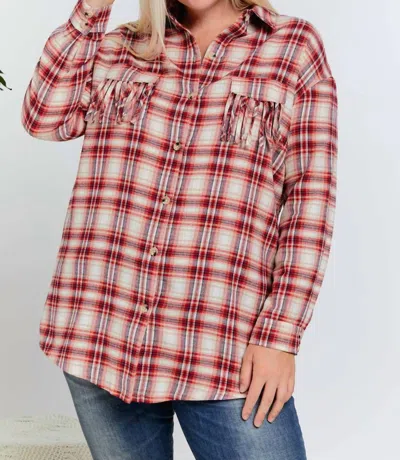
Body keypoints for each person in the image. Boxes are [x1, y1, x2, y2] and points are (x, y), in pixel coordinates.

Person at [21, 0, 338, 458]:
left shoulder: (293, 48)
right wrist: (92, 8)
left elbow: (310, 202)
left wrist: (280, 335)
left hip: (221, 348)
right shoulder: (118, 47)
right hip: (100, 335)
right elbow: (43, 118)